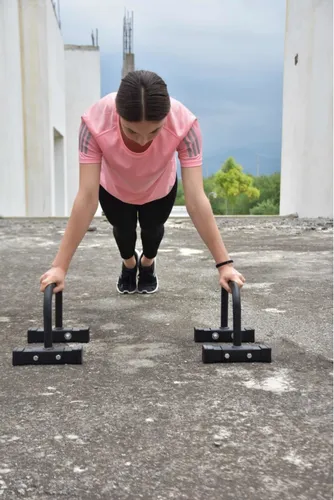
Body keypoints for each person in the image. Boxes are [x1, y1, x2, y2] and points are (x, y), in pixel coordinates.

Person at [40, 70, 245, 295]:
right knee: (123, 231)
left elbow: (196, 199)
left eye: (154, 131)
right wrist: (59, 267)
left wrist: (224, 265)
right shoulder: (94, 123)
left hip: (159, 188)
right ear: (117, 113)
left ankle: (147, 263)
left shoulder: (185, 124)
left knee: (152, 231)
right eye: (131, 131)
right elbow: (87, 197)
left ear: (166, 117)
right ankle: (129, 264)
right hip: (114, 189)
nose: (143, 139)